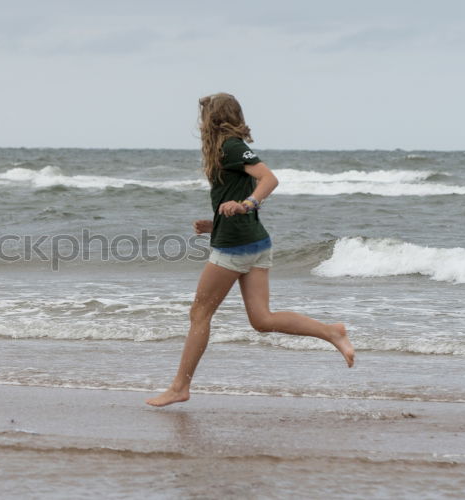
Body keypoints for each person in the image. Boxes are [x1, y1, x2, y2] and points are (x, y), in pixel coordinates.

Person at [146, 93, 354, 408]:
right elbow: (238, 193)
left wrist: (247, 204)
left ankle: (179, 387)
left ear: (214, 119)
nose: (200, 123)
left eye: (204, 117)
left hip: (236, 248)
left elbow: (269, 179)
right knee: (262, 319)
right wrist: (217, 223)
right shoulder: (226, 150)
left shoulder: (229, 146)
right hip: (254, 241)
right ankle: (332, 332)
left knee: (200, 314)